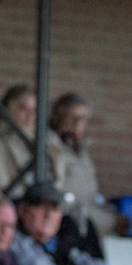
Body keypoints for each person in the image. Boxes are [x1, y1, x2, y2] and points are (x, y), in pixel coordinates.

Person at [47, 93, 123, 239]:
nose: (78, 123)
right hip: (69, 219)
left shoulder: (81, 150)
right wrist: (111, 221)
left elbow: (91, 197)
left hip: (91, 213)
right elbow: (61, 197)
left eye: (82, 118)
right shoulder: (51, 147)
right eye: (72, 117)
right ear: (57, 117)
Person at [0, 84, 65, 201]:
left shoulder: (50, 140)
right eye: (23, 108)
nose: (30, 115)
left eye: (35, 110)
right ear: (9, 108)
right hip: (16, 203)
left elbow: (59, 177)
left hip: (48, 202)